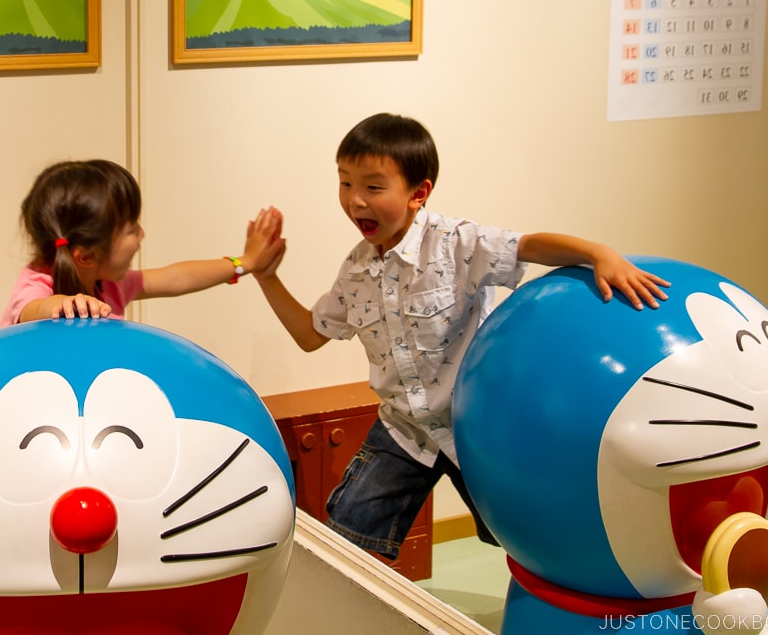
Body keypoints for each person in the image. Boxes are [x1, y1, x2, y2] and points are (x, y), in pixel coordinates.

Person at [252, 112, 670, 558]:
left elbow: (528, 245)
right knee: (345, 544)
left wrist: (597, 253)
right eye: (345, 183)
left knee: (525, 538)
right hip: (404, 430)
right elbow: (310, 334)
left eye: (373, 187)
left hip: (478, 426)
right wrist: (265, 276)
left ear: (419, 193)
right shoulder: (355, 270)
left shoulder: (456, 243)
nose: (355, 201)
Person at [0, 159, 282, 325]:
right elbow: (31, 311)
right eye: (131, 229)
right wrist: (64, 304)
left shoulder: (107, 283)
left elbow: (176, 278)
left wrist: (245, 263)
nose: (142, 234)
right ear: (86, 256)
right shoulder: (36, 287)